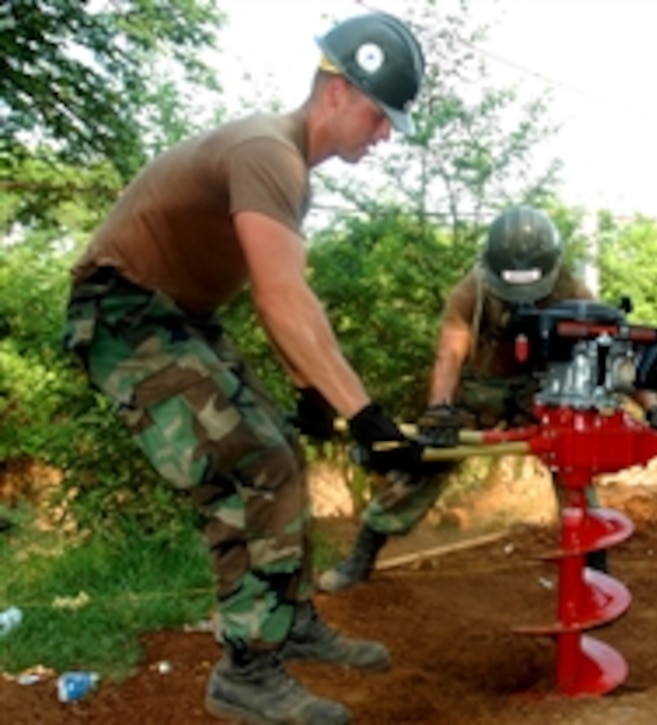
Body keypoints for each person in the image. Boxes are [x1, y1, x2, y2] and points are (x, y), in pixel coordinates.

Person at [62, 12, 426, 723]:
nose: (385, 135)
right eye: (381, 116)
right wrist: (367, 416)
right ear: (336, 91)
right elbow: (279, 298)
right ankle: (247, 673)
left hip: (178, 319)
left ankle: (287, 624)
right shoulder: (270, 153)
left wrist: (312, 392)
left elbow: (295, 298)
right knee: (252, 462)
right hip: (123, 315)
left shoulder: (287, 168)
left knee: (282, 451)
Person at [317, 206, 657, 592]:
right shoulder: (471, 292)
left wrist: (655, 408)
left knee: (575, 457)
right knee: (426, 464)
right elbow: (450, 354)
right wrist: (440, 410)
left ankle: (595, 568)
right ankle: (363, 554)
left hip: (543, 392)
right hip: (480, 392)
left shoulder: (571, 290)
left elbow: (614, 354)